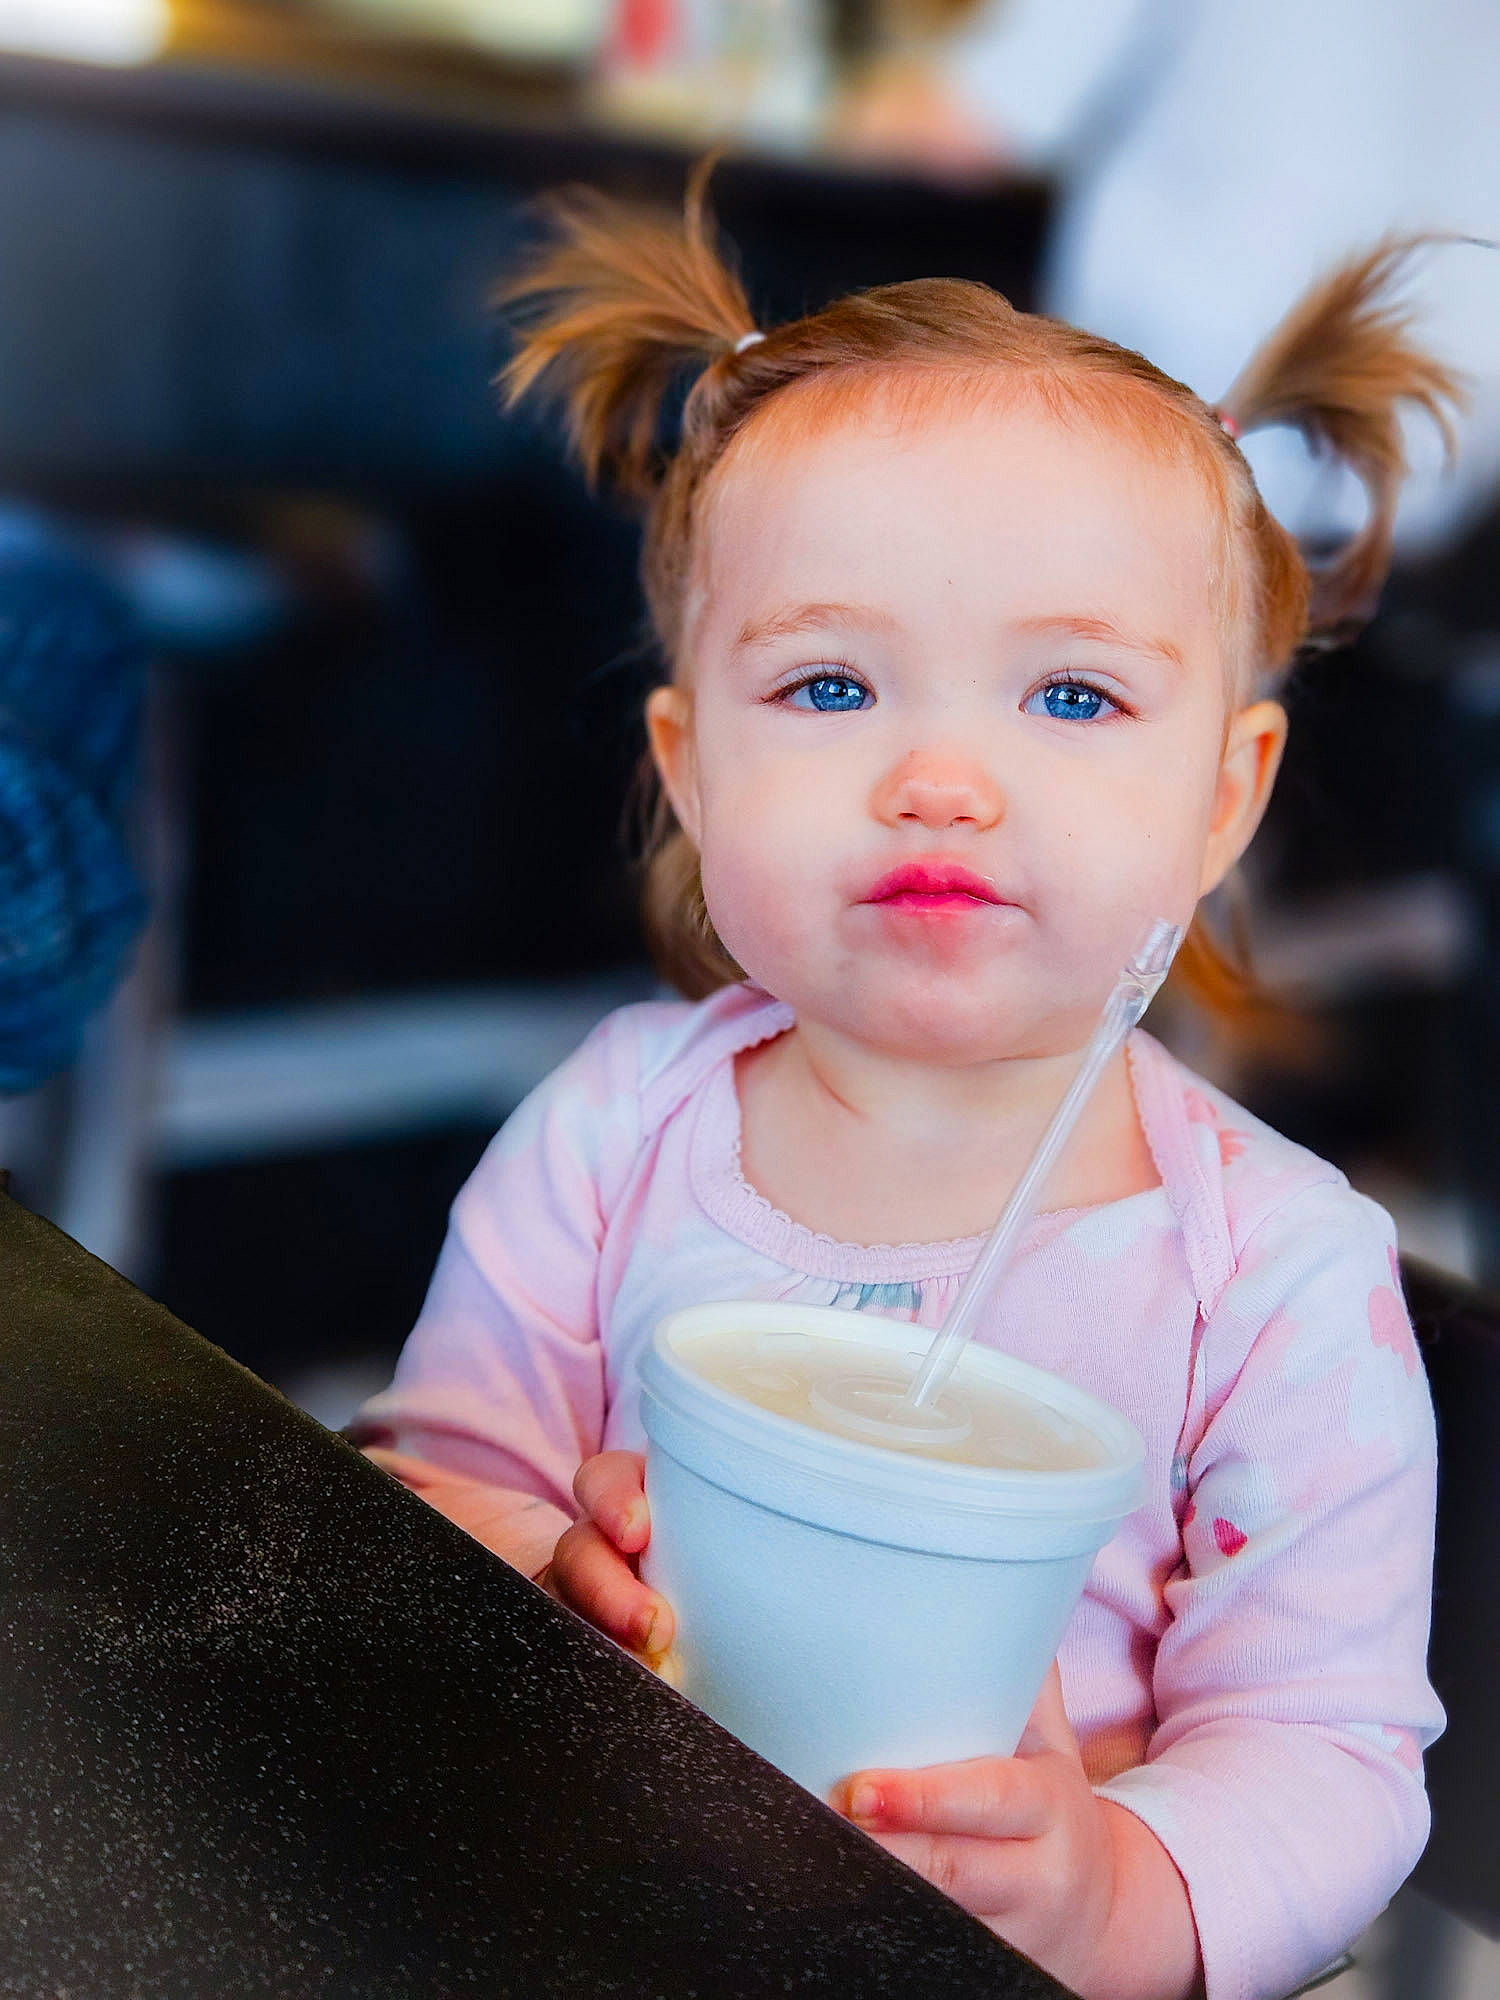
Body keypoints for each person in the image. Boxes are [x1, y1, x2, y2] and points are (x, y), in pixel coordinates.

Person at [347, 173, 1459, 2000]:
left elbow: (1333, 1759)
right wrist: (535, 1573)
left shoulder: (1272, 1278)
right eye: (835, 684)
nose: (942, 776)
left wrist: (1105, 1895)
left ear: (1226, 796)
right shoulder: (622, 1125)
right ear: (690, 767)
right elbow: (434, 1476)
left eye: (1077, 700)